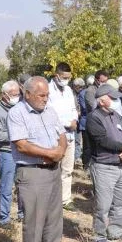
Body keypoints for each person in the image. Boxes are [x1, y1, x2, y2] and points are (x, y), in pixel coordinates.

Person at [8, 76, 67, 242]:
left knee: (54, 215)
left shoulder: (50, 111)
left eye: (47, 95)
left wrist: (61, 150)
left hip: (53, 169)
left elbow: (61, 135)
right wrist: (51, 153)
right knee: (34, 218)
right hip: (32, 172)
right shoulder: (17, 113)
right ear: (28, 94)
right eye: (41, 95)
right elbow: (22, 145)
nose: (45, 99)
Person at [86, 84, 122, 242]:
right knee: (103, 204)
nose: (116, 100)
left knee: (121, 201)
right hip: (103, 166)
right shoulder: (94, 118)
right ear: (101, 101)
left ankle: (115, 231)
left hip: (120, 165)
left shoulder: (116, 115)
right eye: (112, 97)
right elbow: (102, 140)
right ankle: (99, 235)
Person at [0, 80, 21, 227]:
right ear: (4, 95)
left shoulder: (21, 107)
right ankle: (4, 218)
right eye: (13, 95)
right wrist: (16, 135)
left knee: (23, 185)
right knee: (6, 187)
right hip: (7, 153)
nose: (17, 97)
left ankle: (22, 214)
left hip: (23, 152)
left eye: (18, 94)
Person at [48, 63, 79, 211]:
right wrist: (68, 123)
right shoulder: (48, 91)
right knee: (53, 168)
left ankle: (65, 199)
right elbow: (49, 114)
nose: (66, 80)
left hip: (70, 136)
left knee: (67, 169)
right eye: (64, 77)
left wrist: (74, 120)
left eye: (69, 77)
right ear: (57, 76)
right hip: (56, 137)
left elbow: (74, 109)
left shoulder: (68, 90)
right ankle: (51, 199)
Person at [81, 70, 109, 167]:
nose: (104, 83)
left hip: (104, 121)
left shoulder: (107, 89)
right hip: (93, 122)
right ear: (97, 80)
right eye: (102, 81)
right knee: (89, 146)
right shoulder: (90, 91)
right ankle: (87, 165)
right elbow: (94, 106)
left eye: (106, 81)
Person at [72, 77, 86, 161]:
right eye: (77, 87)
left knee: (78, 139)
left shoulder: (84, 93)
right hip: (73, 118)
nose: (79, 88)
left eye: (80, 87)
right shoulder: (70, 93)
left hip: (81, 118)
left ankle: (77, 156)